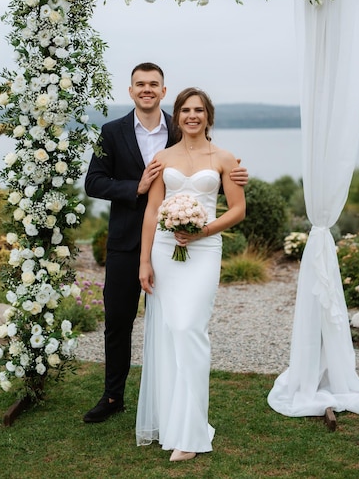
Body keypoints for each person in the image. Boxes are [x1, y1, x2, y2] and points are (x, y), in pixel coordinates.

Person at [83, 64, 248, 423]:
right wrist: (135, 188)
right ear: (131, 91)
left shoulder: (181, 126)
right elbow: (93, 183)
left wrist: (236, 173)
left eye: (153, 84)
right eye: (140, 84)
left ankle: (172, 401)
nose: (146, 89)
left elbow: (210, 162)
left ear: (162, 90)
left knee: (174, 323)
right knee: (119, 319)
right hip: (130, 239)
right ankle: (113, 396)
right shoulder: (111, 132)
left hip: (181, 243)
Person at [136, 87, 246, 462]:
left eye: (199, 110)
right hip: (165, 252)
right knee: (170, 333)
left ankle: (193, 431)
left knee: (189, 329)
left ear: (208, 116)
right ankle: (176, 422)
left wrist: (204, 230)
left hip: (204, 251)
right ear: (177, 116)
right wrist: (144, 261)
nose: (192, 116)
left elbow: (237, 209)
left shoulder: (226, 158)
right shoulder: (161, 156)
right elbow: (153, 211)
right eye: (186, 110)